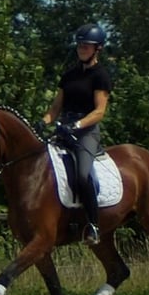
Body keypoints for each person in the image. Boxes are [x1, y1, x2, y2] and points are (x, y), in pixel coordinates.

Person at [38, 23, 113, 246]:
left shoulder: (100, 76)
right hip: (63, 129)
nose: (81, 49)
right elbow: (54, 110)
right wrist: (41, 123)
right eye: (79, 45)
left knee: (82, 174)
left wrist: (77, 125)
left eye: (86, 46)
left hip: (86, 133)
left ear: (97, 48)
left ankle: (93, 224)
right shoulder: (69, 75)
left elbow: (99, 111)